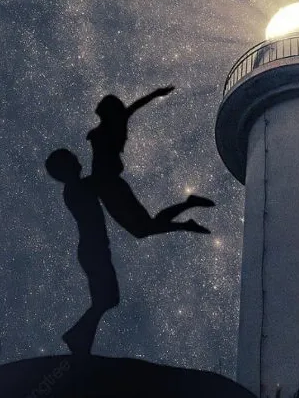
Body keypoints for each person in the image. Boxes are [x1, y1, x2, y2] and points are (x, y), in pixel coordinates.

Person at [87, 85, 215, 238]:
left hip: (109, 185)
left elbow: (134, 106)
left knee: (142, 229)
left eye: (101, 104)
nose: (97, 106)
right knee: (144, 227)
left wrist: (156, 94)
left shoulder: (114, 125)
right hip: (107, 185)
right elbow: (133, 107)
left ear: (108, 109)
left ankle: (187, 217)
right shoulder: (108, 127)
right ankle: (188, 212)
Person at [45, 148, 119, 356]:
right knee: (106, 298)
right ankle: (77, 338)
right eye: (73, 159)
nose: (78, 160)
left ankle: (80, 339)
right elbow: (101, 179)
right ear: (66, 167)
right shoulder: (76, 188)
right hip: (93, 250)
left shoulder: (76, 188)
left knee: (107, 298)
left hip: (94, 250)